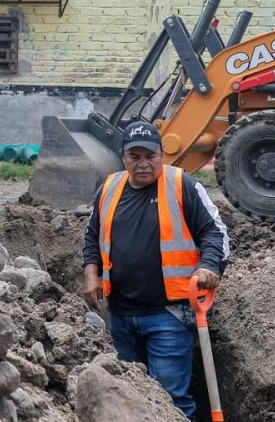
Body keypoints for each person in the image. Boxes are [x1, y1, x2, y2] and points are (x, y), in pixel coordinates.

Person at [82, 120, 230, 421]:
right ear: (124, 158)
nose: (143, 164)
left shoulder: (182, 185)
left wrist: (207, 266)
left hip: (170, 315)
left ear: (162, 154)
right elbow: (91, 237)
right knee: (130, 395)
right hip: (121, 314)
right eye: (135, 157)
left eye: (150, 156)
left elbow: (215, 234)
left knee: (169, 397)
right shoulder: (109, 189)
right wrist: (91, 274)